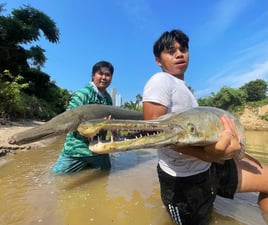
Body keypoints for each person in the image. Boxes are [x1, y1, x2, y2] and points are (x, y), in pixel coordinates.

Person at [142, 29, 268, 225]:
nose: (179, 54)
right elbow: (154, 133)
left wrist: (220, 151)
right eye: (171, 51)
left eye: (183, 49)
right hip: (183, 181)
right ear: (158, 60)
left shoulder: (187, 91)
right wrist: (207, 155)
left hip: (212, 167)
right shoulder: (161, 81)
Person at [52, 60, 114, 174]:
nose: (104, 77)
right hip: (77, 149)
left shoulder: (108, 99)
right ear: (93, 75)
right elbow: (68, 120)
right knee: (57, 177)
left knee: (106, 175)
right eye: (100, 73)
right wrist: (96, 124)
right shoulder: (82, 94)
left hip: (99, 149)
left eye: (108, 75)